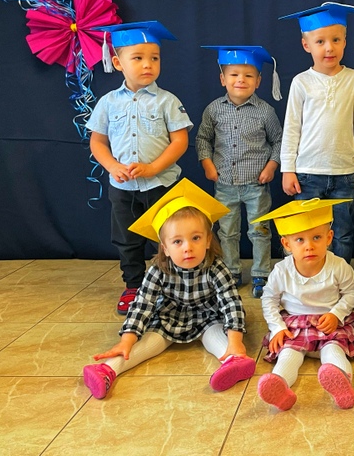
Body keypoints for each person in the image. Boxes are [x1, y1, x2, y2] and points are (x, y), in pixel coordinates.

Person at [82, 179, 255, 399]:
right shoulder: (158, 270)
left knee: (217, 335)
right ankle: (107, 370)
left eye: (196, 238)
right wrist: (127, 339)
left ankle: (235, 360)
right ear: (164, 248)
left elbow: (231, 302)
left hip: (208, 317)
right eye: (177, 242)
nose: (188, 248)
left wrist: (236, 341)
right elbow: (142, 304)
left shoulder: (216, 267)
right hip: (169, 318)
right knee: (148, 343)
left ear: (208, 240)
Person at [87, 21, 193, 314]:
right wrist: (112, 166)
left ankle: (174, 284)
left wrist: (153, 167)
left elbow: (180, 141)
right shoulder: (108, 103)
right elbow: (97, 142)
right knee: (127, 239)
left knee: (171, 236)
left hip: (161, 184)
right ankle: (134, 285)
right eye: (138, 58)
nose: (148, 64)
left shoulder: (167, 101)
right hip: (123, 188)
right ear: (118, 63)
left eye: (154, 58)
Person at [278, 3, 354, 262]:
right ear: (306, 45)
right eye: (320, 41)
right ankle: (310, 277)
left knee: (342, 232)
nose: (329, 48)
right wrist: (288, 168)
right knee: (307, 231)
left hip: (344, 173)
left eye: (336, 40)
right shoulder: (301, 82)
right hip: (308, 173)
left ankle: (340, 278)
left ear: (345, 41)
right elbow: (291, 128)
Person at [251, 198, 354, 411]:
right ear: (287, 244)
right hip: (295, 325)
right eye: (299, 240)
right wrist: (277, 327)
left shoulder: (338, 266)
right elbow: (269, 299)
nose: (309, 246)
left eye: (317, 237)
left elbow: (351, 293)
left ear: (329, 238)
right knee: (288, 353)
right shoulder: (281, 271)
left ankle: (342, 383)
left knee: (333, 351)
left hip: (330, 322)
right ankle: (279, 387)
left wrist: (336, 314)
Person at [196, 45, 283, 298]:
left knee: (260, 230)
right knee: (227, 231)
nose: (240, 80)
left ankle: (261, 274)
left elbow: (279, 141)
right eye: (234, 75)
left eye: (248, 75)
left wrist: (272, 166)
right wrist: (207, 163)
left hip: (257, 183)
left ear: (258, 81)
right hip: (224, 182)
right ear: (223, 79)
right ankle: (231, 270)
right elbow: (203, 138)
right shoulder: (213, 109)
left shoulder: (265, 111)